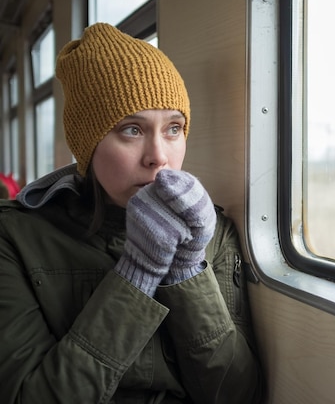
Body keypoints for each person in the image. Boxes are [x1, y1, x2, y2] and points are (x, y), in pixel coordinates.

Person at [0, 23, 263, 403]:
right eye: (131, 130)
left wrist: (187, 267)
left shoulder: (212, 232)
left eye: (174, 128)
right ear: (88, 145)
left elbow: (236, 395)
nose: (159, 156)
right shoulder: (15, 236)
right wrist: (136, 275)